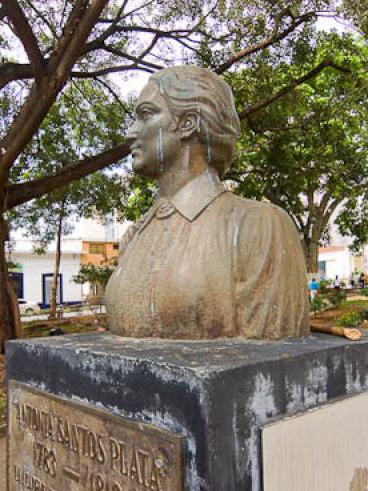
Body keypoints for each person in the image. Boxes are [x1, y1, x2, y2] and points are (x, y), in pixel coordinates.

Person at [106, 66, 308, 339]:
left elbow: (274, 358)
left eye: (146, 114)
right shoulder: (135, 237)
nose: (131, 132)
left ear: (188, 123)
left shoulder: (259, 226)